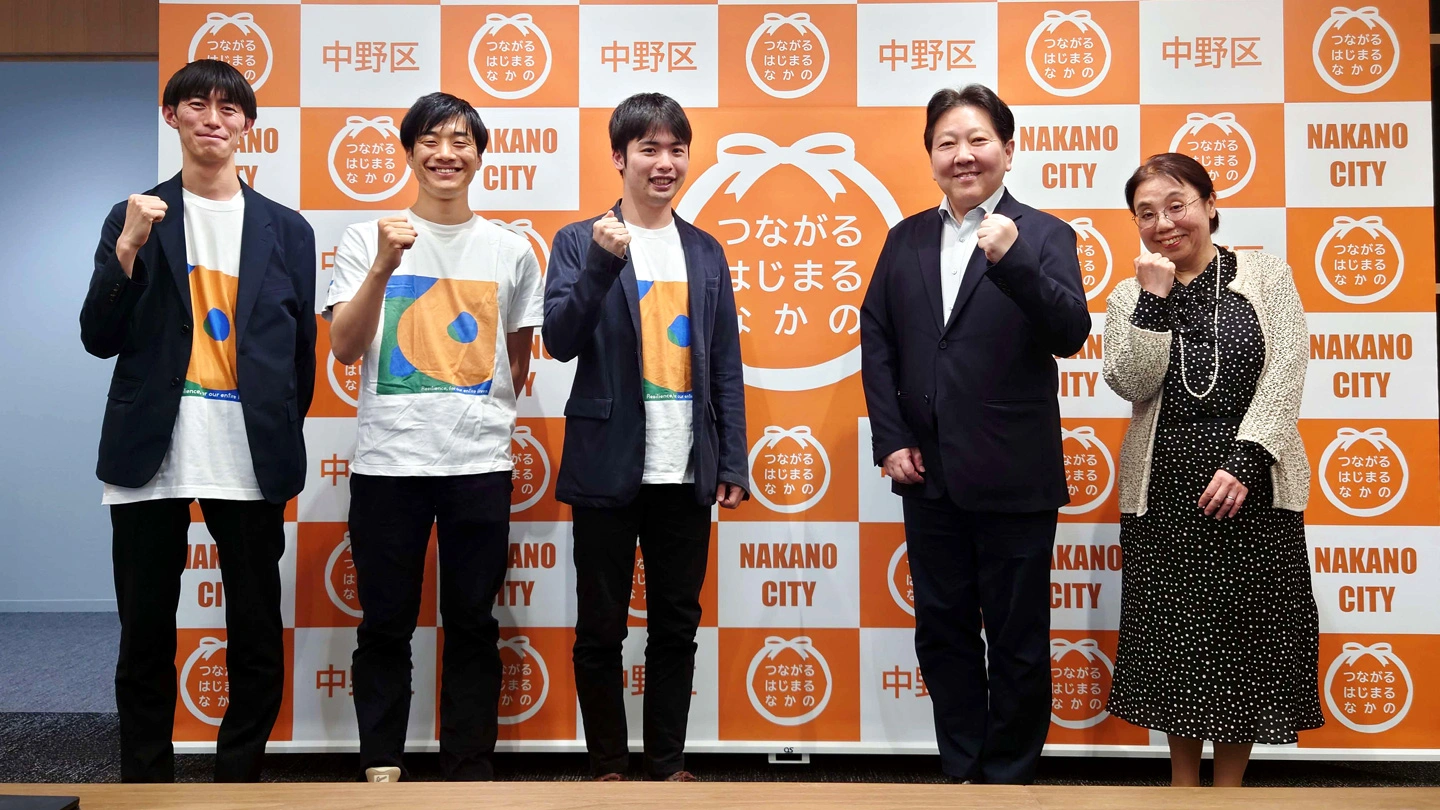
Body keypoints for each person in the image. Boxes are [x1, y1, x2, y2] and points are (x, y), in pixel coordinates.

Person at [79, 59, 316, 783]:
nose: (213, 118)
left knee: (255, 632)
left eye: (227, 107)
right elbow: (98, 336)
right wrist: (127, 248)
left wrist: (276, 428)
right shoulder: (135, 215)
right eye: (196, 105)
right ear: (172, 115)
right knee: (145, 632)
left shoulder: (288, 229)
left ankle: (238, 779)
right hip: (149, 451)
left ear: (248, 124)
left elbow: (300, 355)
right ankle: (145, 783)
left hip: (249, 454)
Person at [859, 84, 1091, 785]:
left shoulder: (1043, 234)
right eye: (947, 143)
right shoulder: (904, 239)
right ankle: (961, 767)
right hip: (928, 474)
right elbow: (878, 337)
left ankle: (1011, 775)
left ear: (1008, 151)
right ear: (931, 156)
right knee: (942, 629)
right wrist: (890, 438)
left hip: (1015, 474)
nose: (963, 155)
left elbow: (1069, 332)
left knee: (1019, 636)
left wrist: (1013, 259)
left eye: (978, 140)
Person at [325, 92, 543, 783]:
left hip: (479, 464)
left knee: (473, 622)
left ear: (480, 155)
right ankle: (381, 761)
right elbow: (345, 348)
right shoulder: (366, 239)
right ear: (409, 151)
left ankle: (468, 765)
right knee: (385, 622)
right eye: (430, 140)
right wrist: (383, 266)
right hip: (388, 465)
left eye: (460, 141)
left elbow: (516, 361)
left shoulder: (511, 249)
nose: (445, 154)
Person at [543, 92, 748, 782]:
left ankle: (666, 763)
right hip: (608, 462)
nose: (665, 163)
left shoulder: (705, 249)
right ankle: (607, 763)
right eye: (649, 149)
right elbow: (561, 341)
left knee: (676, 625)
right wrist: (602, 264)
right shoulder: (580, 240)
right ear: (618, 157)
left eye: (676, 150)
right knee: (601, 626)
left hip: (686, 468)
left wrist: (732, 459)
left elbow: (725, 365)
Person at [1103, 152, 1321, 786]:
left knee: (1245, 644)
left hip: (1254, 490)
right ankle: (1182, 784)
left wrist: (1246, 461)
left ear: (1209, 205)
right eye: (1146, 213)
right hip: (1164, 497)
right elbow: (1131, 381)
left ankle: (1229, 790)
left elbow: (1286, 371)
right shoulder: (1130, 294)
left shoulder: (1266, 275)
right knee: (1177, 645)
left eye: (1177, 205)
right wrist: (1153, 301)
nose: (1164, 222)